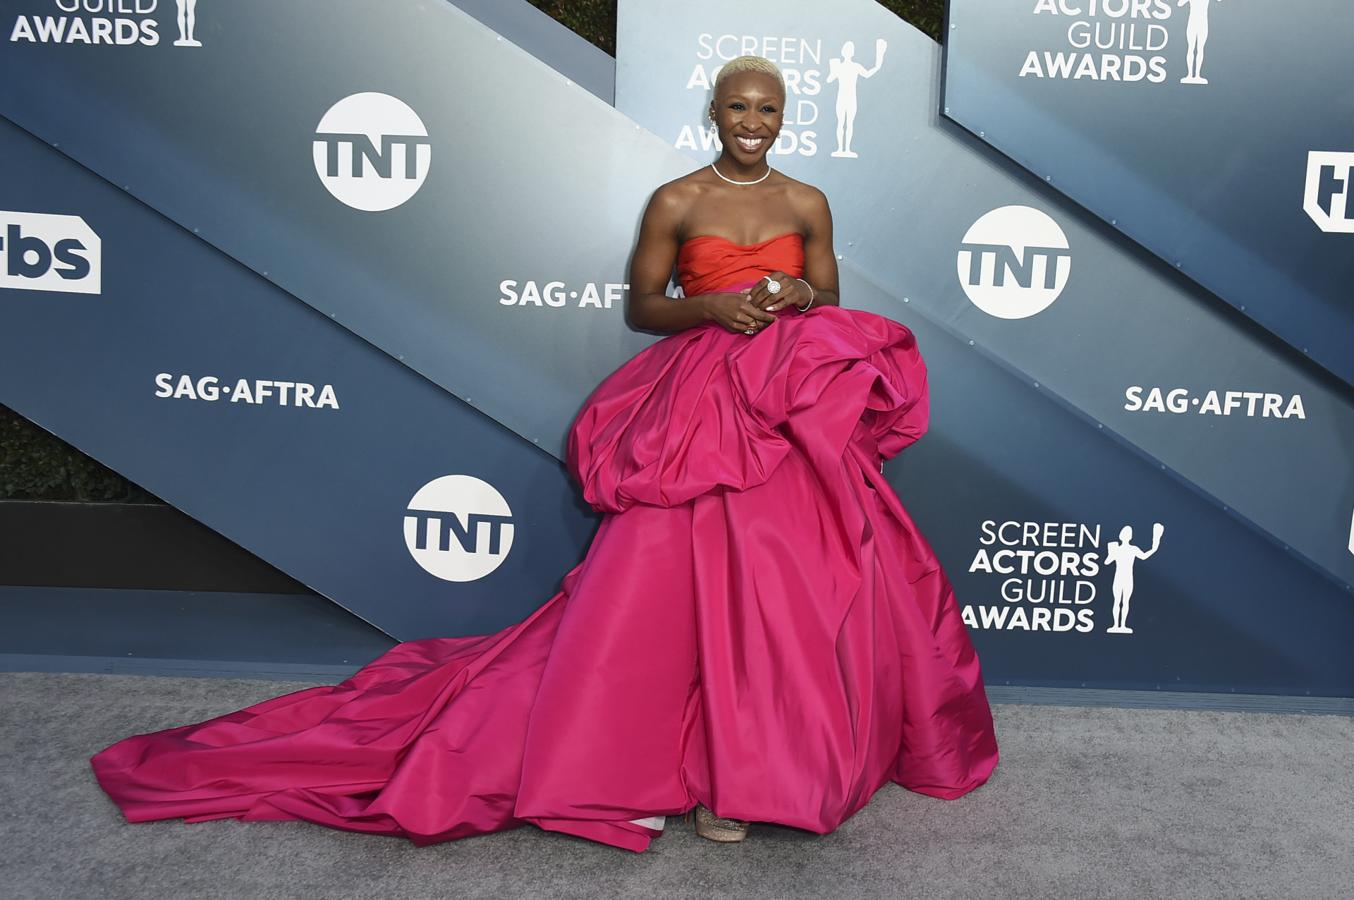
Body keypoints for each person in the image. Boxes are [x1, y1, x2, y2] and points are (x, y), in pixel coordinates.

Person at [89, 55, 999, 853]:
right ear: (713, 114)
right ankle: (654, 765)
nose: (753, 123)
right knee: (664, 598)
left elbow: (829, 296)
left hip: (784, 405)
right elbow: (645, 304)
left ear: (783, 118)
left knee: (785, 589)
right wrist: (711, 308)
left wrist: (798, 289)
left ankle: (760, 768)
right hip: (696, 401)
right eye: (738, 107)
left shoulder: (808, 200)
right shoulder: (677, 199)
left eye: (768, 109)